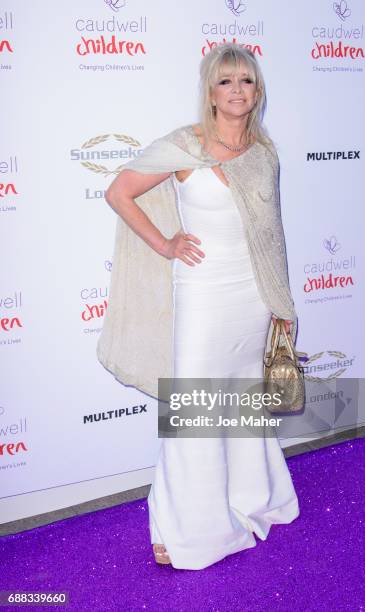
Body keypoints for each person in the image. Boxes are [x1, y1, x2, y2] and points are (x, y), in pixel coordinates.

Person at [101, 42, 300, 570]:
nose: (237, 90)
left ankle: (248, 500)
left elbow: (271, 236)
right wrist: (166, 243)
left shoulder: (264, 152)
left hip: (253, 300)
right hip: (205, 297)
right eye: (226, 81)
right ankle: (182, 525)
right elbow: (119, 192)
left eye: (247, 81)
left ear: (258, 92)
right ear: (210, 92)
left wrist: (279, 301)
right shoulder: (186, 146)